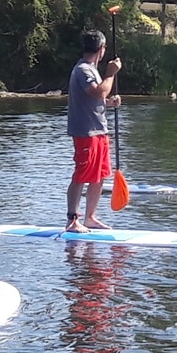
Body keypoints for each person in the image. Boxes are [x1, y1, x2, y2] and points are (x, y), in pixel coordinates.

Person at [66, 30, 122, 233]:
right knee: (81, 175)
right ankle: (72, 220)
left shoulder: (92, 69)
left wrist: (109, 102)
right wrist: (111, 74)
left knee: (99, 176)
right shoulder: (83, 70)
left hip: (99, 130)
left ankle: (90, 217)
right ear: (102, 49)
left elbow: (97, 97)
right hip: (85, 132)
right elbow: (98, 91)